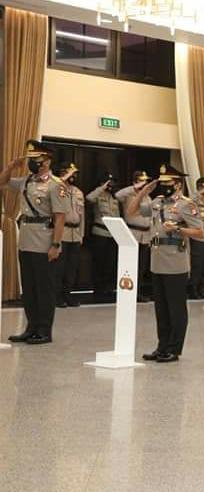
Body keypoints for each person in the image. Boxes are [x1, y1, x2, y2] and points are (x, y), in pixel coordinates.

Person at [126, 165, 203, 363]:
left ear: (177, 184)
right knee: (161, 309)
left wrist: (177, 229)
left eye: (168, 183)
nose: (164, 186)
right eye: (162, 183)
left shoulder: (186, 205)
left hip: (175, 262)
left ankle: (174, 349)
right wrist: (143, 192)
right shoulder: (157, 202)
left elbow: (200, 232)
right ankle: (162, 346)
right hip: (157, 260)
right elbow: (131, 211)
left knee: (175, 308)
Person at [0, 140, 70, 345]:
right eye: (30, 158)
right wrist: (10, 167)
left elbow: (60, 218)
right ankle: (31, 327)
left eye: (36, 158)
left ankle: (44, 330)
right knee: (29, 289)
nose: (31, 162)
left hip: (44, 242)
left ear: (46, 161)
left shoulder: (56, 185)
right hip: (26, 240)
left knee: (44, 288)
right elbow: (2, 182)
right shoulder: (27, 181)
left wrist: (55, 245)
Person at [116, 170, 154, 302]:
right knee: (130, 266)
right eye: (141, 181)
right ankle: (128, 292)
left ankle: (138, 292)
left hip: (145, 235)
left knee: (141, 267)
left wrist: (150, 237)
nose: (144, 183)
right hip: (132, 233)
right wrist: (134, 188)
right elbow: (117, 195)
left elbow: (148, 217)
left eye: (145, 181)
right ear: (135, 181)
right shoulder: (129, 194)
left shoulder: (147, 197)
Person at [86, 172, 121, 303]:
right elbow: (89, 198)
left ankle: (108, 289)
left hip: (113, 234)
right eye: (108, 182)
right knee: (99, 263)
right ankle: (98, 290)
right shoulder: (98, 195)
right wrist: (102, 188)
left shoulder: (115, 197)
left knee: (110, 264)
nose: (110, 185)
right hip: (100, 232)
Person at [55, 162, 84, 307]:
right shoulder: (56, 189)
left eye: (75, 174)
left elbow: (82, 215)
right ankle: (57, 296)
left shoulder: (78, 192)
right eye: (71, 173)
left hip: (75, 233)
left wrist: (81, 235)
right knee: (59, 267)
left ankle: (68, 294)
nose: (74, 176)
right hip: (63, 233)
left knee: (71, 268)